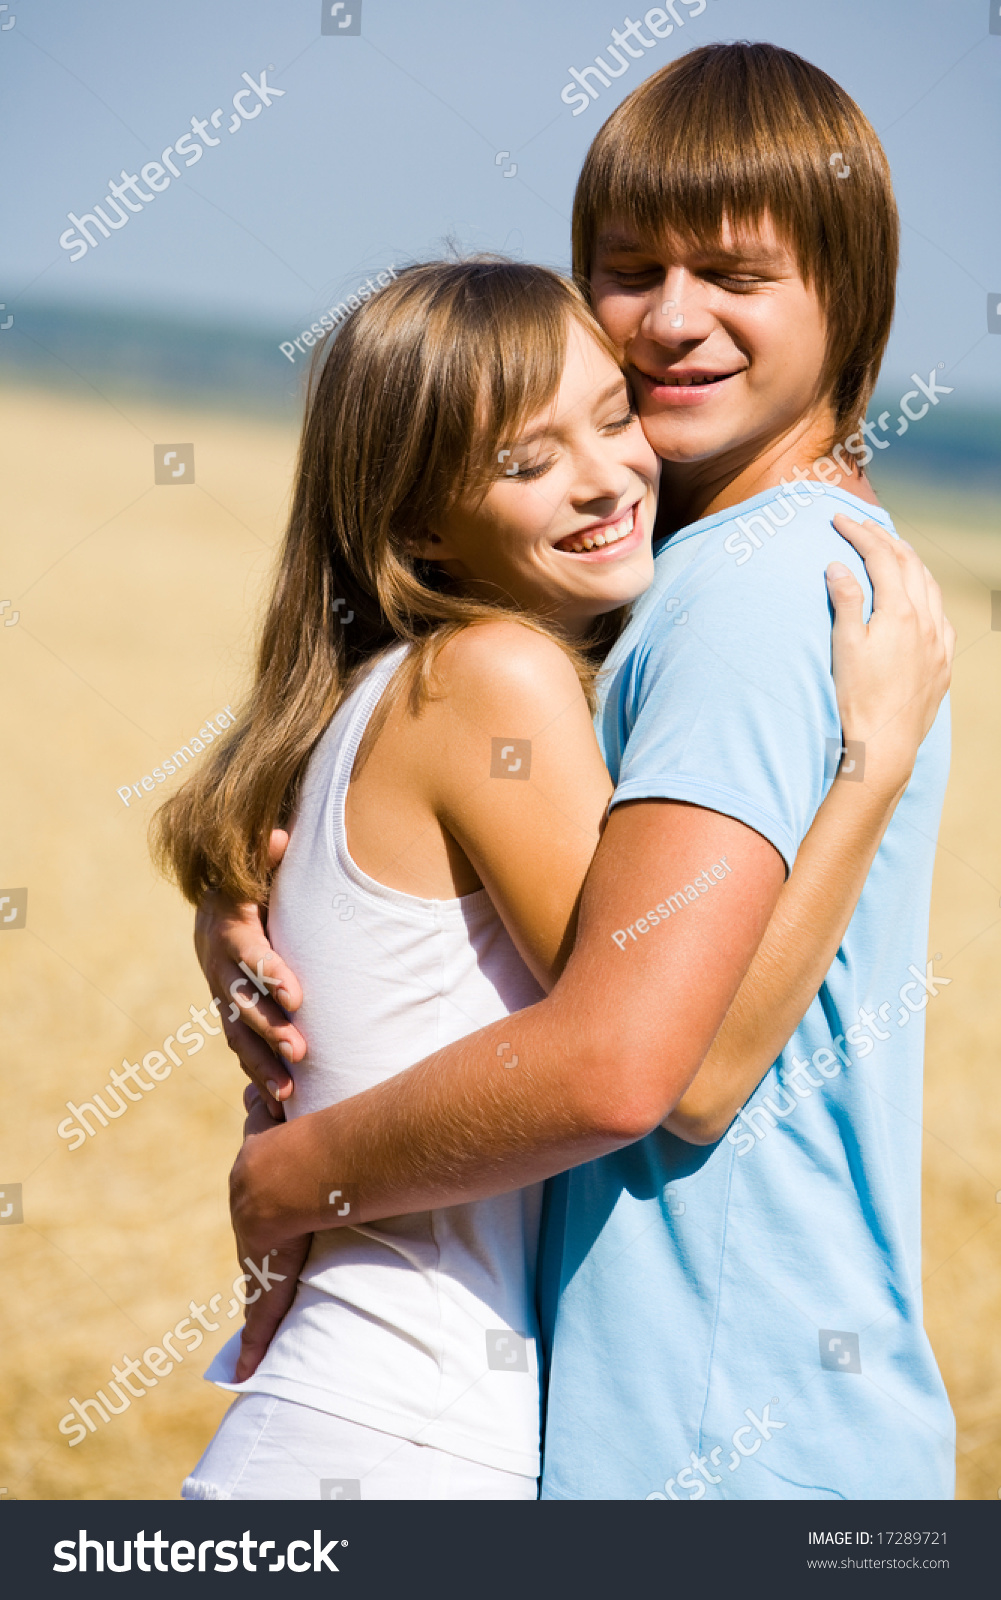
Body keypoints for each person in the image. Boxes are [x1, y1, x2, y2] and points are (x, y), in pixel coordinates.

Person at [193, 44, 956, 1500]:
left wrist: (302, 1166)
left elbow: (642, 1068)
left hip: (718, 1444)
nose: (669, 322)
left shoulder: (746, 592)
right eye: (625, 268)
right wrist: (250, 917)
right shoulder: (647, 597)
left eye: (735, 275)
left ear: (845, 289)